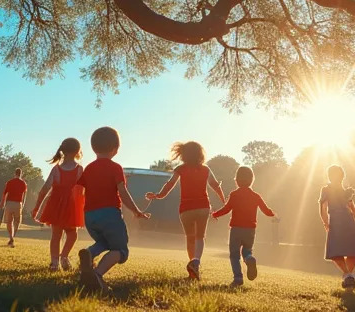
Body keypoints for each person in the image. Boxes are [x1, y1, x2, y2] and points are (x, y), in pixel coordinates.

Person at [76, 126, 150, 294]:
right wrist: (136, 211)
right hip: (109, 215)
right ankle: (97, 274)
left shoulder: (89, 168)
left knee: (104, 243)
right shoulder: (116, 167)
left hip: (90, 216)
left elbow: (79, 190)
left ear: (93, 147)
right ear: (115, 148)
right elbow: (122, 193)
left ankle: (88, 254)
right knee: (120, 250)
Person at [145, 141, 226, 280]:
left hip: (186, 208)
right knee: (200, 237)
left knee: (190, 238)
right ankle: (196, 262)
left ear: (183, 154)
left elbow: (169, 184)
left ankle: (193, 268)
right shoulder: (205, 169)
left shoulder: (180, 169)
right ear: (200, 153)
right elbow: (215, 185)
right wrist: (224, 200)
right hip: (203, 207)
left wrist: (158, 195)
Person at [211, 165, 276, 286]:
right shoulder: (256, 196)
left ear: (236, 180)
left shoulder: (234, 195)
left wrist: (215, 214)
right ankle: (249, 258)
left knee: (234, 255)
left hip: (236, 229)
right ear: (252, 180)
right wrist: (273, 214)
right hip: (250, 230)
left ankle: (238, 278)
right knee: (247, 251)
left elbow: (226, 209)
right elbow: (266, 210)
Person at [31, 137, 86, 270]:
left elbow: (44, 189)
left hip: (56, 205)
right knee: (72, 234)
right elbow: (83, 190)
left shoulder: (56, 169)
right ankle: (64, 257)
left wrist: (37, 207)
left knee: (56, 235)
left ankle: (54, 262)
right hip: (71, 206)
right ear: (78, 151)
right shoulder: (79, 169)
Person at [319, 164, 355, 289]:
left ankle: (348, 276)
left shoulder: (326, 190)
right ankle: (349, 276)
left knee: (335, 251)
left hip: (337, 221)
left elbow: (322, 207)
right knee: (351, 251)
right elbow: (353, 208)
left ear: (329, 176)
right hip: (348, 221)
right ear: (342, 176)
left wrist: (325, 222)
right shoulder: (344, 191)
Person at [0, 168, 28, 247]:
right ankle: (12, 237)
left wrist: (2, 202)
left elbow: (4, 193)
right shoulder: (23, 183)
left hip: (9, 203)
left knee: (9, 222)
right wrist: (22, 204)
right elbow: (24, 195)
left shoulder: (9, 182)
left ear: (14, 173)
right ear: (21, 174)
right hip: (18, 203)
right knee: (17, 222)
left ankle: (11, 237)